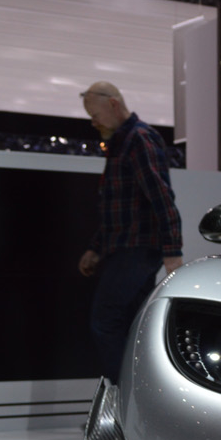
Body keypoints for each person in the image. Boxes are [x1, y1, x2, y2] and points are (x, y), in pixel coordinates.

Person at [77, 82, 184, 384]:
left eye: (95, 115)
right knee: (130, 325)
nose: (93, 122)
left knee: (107, 321)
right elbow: (117, 206)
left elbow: (161, 197)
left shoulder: (139, 139)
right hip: (129, 248)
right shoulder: (123, 142)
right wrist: (96, 248)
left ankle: (124, 396)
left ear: (113, 104)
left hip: (137, 249)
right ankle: (135, 396)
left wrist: (172, 252)